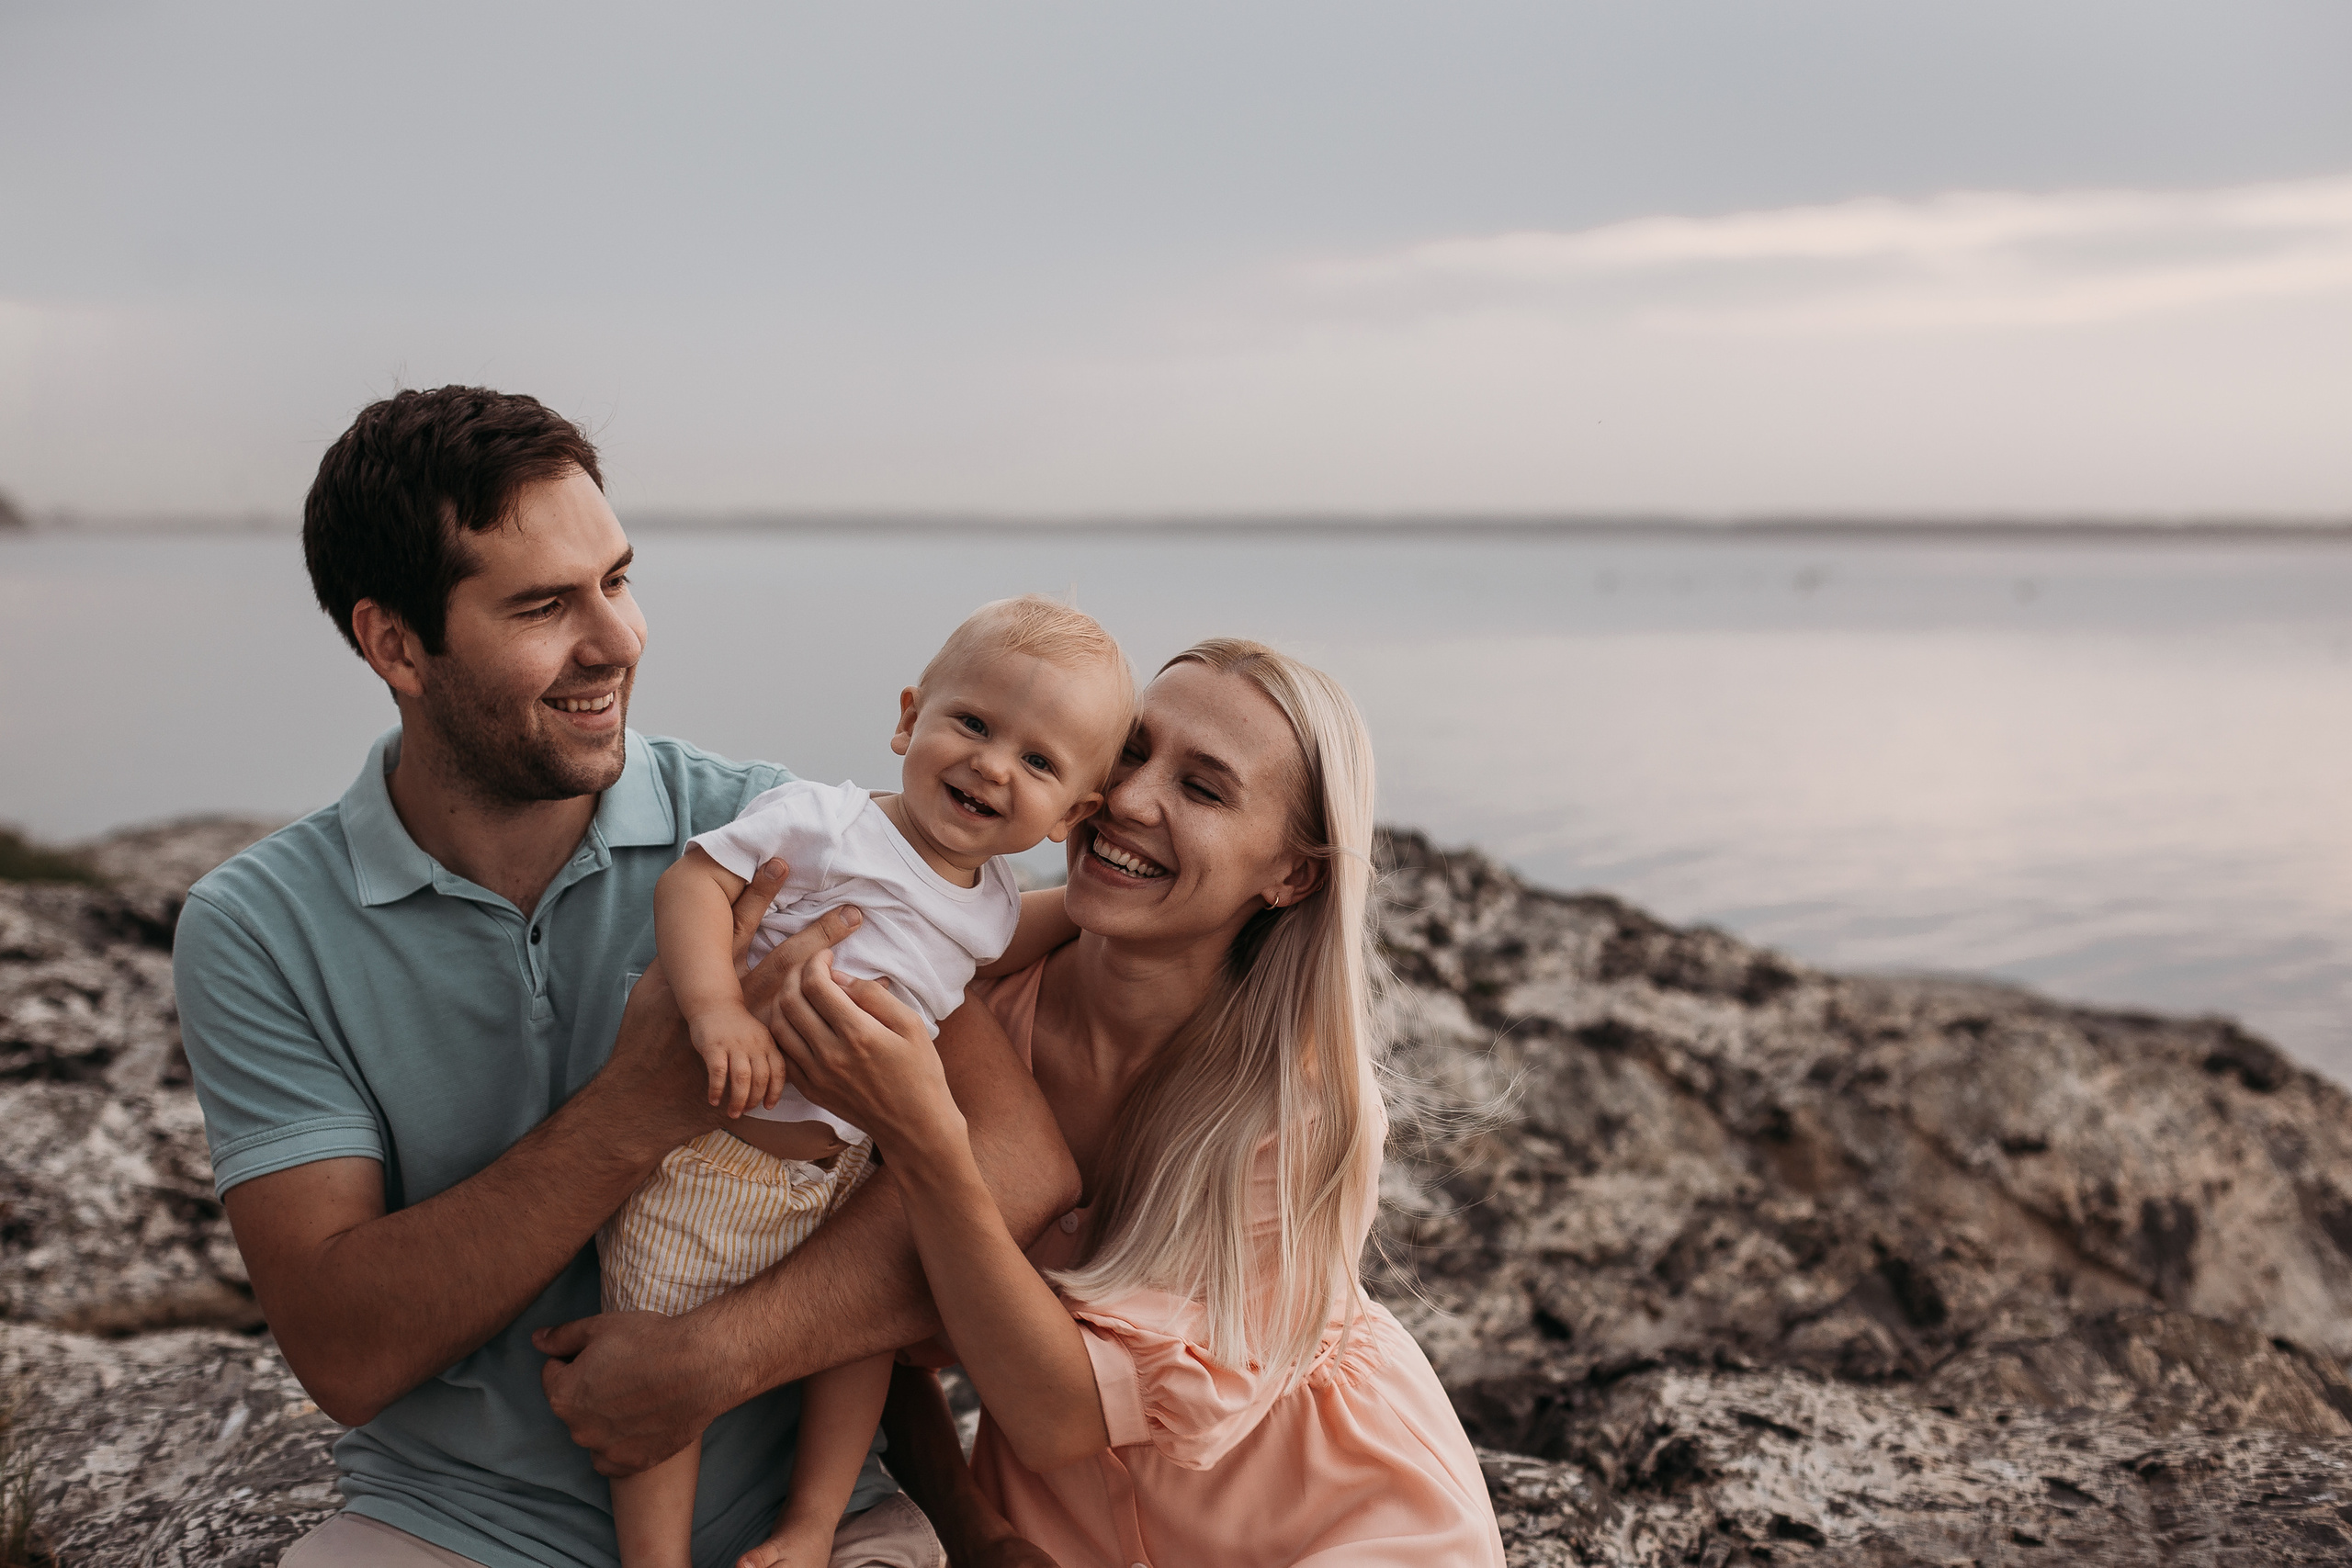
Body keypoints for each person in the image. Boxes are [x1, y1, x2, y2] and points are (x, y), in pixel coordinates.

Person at [174, 386, 1075, 1568]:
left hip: (807, 1533)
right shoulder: (259, 928)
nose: (618, 640)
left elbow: (1016, 1164)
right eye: (545, 605)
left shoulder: (769, 826)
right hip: (451, 1530)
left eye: (617, 579)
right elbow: (343, 1351)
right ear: (394, 644)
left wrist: (718, 1360)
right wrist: (640, 1108)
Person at [754, 639, 1509, 1566]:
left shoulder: (1300, 1112)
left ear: (1292, 875)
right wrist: (972, 1529)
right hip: (1050, 1530)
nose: (1129, 798)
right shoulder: (971, 1005)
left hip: (1328, 1521)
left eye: (1203, 788)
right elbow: (870, 1308)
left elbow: (1058, 1414)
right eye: (1132, 751)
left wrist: (931, 1144)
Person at [605, 596, 1132, 1568]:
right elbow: (694, 882)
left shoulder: (991, 901)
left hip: (840, 1176)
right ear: (907, 719)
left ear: (1073, 815)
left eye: (1039, 762)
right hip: (719, 1163)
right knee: (655, 1367)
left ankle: (809, 1526)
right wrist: (716, 1008)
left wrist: (1110, 912)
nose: (990, 763)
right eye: (972, 724)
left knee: (853, 1348)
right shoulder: (827, 821)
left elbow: (1002, 941)